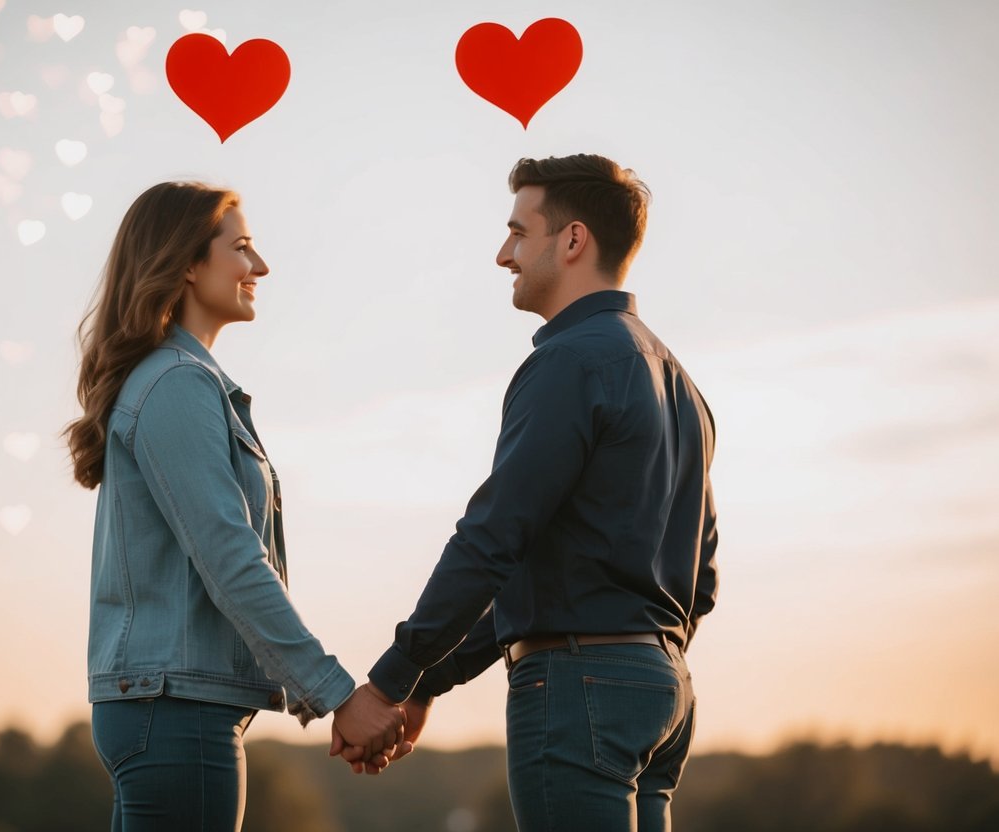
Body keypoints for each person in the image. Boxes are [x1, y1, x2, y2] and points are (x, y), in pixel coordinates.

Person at [350, 154, 719, 831]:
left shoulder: (568, 362)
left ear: (572, 239)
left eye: (519, 232)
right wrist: (431, 677)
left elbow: (495, 538)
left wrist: (392, 680)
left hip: (579, 690)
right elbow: (701, 576)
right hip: (664, 691)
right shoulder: (682, 385)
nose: (503, 254)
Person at [65, 181, 405, 831]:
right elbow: (230, 558)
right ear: (187, 264)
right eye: (242, 247)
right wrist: (337, 694)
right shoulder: (177, 383)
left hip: (167, 706)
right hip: (177, 711)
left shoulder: (176, 381)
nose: (261, 266)